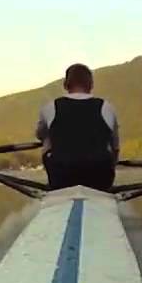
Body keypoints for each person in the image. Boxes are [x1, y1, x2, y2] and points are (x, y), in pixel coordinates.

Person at [35, 63, 119, 191]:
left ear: (65, 84)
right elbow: (116, 147)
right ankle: (107, 186)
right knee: (109, 143)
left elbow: (39, 135)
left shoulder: (49, 107)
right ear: (91, 85)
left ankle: (52, 186)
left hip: (61, 179)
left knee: (47, 138)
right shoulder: (107, 107)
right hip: (100, 179)